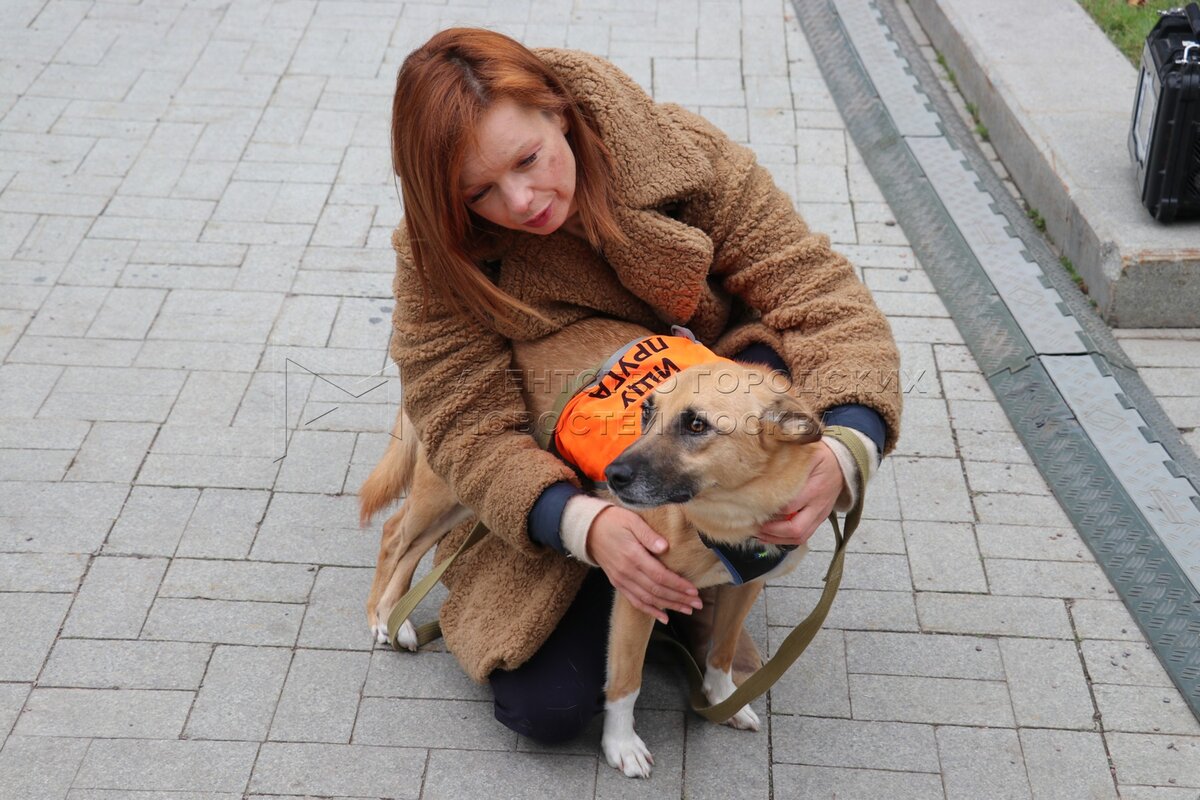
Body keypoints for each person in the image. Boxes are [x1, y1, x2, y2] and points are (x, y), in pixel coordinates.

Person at [387, 27, 902, 743]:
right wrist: (577, 523)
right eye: (480, 192)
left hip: (706, 404)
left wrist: (847, 446)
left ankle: (706, 570)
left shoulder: (683, 155)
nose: (523, 199)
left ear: (557, 111)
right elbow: (460, 422)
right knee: (546, 708)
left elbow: (820, 293)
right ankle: (661, 575)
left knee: (772, 374)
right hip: (557, 444)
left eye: (528, 159)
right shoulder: (434, 254)